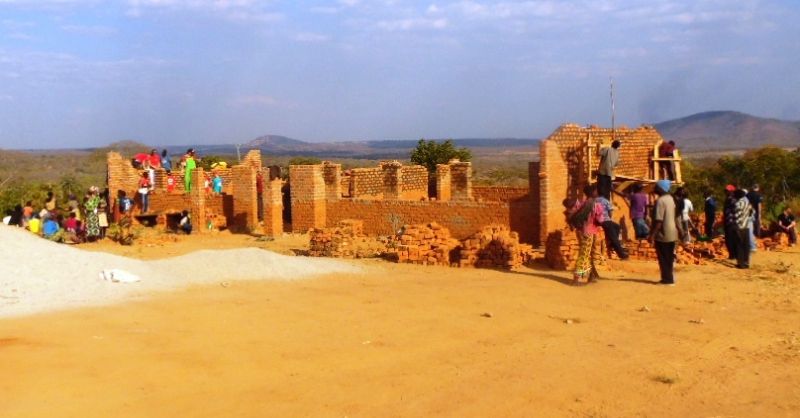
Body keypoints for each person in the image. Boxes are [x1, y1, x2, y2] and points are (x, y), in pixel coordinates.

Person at [568, 184, 605, 285]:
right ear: (592, 192)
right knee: (584, 255)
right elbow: (600, 220)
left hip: (580, 231)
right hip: (589, 232)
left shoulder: (582, 203)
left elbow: (572, 213)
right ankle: (576, 278)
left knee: (587, 254)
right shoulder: (596, 205)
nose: (597, 192)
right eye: (596, 190)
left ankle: (590, 276)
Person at [648, 179, 679, 286]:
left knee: (663, 258)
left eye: (656, 187)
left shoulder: (660, 201)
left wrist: (652, 235)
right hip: (672, 233)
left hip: (663, 234)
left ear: (661, 188)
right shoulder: (670, 199)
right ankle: (669, 278)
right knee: (669, 258)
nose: (654, 188)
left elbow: (658, 221)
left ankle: (667, 280)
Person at [596, 193, 629, 259]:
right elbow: (610, 212)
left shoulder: (596, 200)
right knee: (614, 237)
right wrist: (609, 217)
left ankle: (612, 243)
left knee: (617, 227)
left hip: (601, 221)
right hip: (605, 221)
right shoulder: (605, 200)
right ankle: (622, 255)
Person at [733, 189, 754, 269]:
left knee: (739, 245)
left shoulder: (738, 204)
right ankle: (746, 262)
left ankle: (740, 264)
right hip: (746, 226)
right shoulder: (747, 202)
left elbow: (736, 216)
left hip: (739, 227)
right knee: (746, 245)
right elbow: (751, 211)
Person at [723, 184, 738, 259]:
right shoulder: (728, 199)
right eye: (725, 191)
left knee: (731, 239)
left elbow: (734, 211)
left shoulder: (732, 200)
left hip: (732, 222)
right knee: (729, 239)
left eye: (727, 191)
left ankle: (733, 255)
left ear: (732, 191)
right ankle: (732, 254)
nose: (726, 192)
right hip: (728, 221)